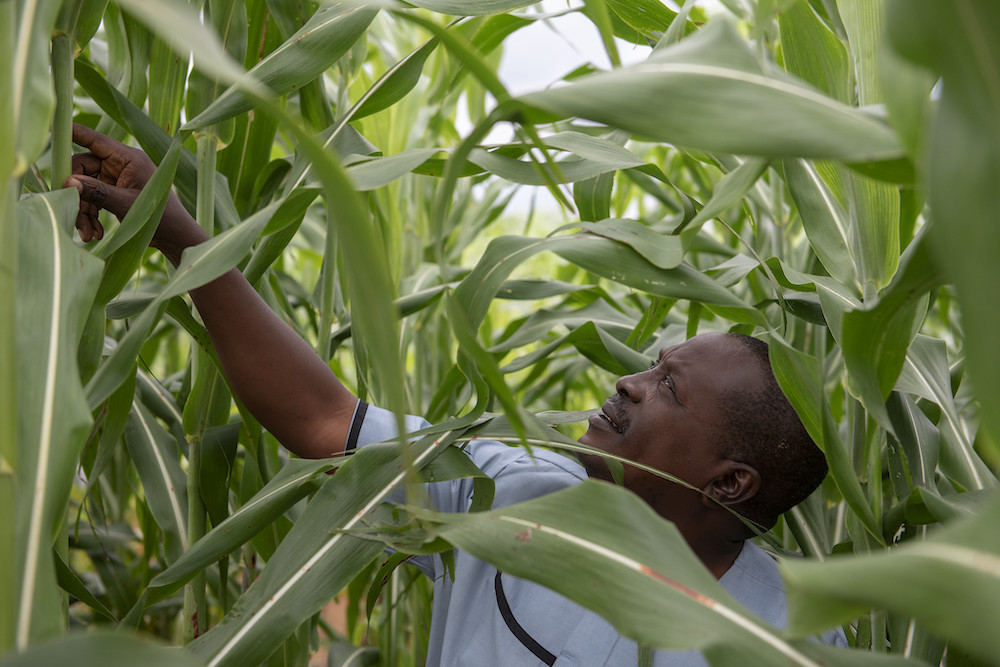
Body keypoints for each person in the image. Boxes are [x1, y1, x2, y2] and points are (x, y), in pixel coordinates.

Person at [66, 124, 845, 665]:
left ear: (730, 481)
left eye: (668, 386)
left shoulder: (795, 641)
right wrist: (180, 236)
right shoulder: (509, 486)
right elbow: (324, 416)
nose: (627, 382)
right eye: (651, 365)